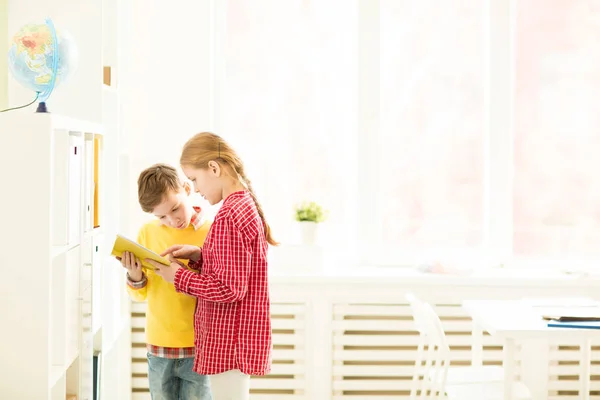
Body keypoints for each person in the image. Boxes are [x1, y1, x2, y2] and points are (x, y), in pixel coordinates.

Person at [146, 133, 274, 400]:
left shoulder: (230, 215)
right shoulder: (240, 206)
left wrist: (178, 276)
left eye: (194, 179)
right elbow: (234, 267)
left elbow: (229, 289)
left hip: (230, 344)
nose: (197, 189)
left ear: (213, 169)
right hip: (235, 342)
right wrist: (199, 255)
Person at [119, 163, 212, 400]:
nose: (172, 220)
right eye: (161, 216)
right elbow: (139, 295)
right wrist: (135, 276)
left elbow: (217, 286)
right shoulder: (148, 233)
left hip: (200, 344)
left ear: (187, 189)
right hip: (159, 344)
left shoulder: (211, 230)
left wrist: (185, 273)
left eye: (175, 209)